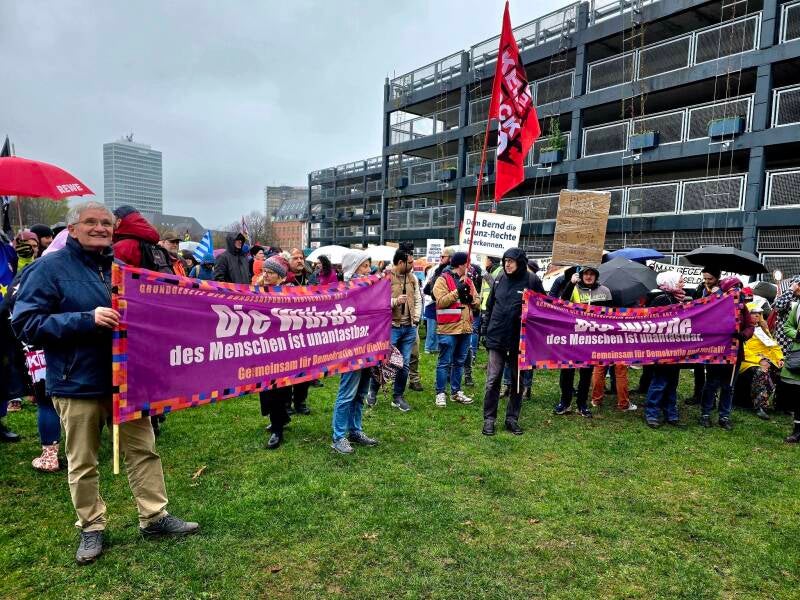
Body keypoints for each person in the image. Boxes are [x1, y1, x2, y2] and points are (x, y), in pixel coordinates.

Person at [12, 201, 199, 565]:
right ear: (73, 228)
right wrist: (86, 319)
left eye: (106, 223)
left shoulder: (121, 269)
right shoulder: (48, 269)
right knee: (83, 460)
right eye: (91, 222)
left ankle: (154, 516)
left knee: (144, 450)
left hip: (127, 382)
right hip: (76, 382)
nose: (100, 228)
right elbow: (26, 324)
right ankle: (91, 526)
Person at [481, 248, 542, 436]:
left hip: (520, 340)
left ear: (520, 262)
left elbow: (543, 308)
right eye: (505, 260)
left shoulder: (532, 281)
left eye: (511, 261)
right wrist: (485, 330)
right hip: (497, 336)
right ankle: (489, 419)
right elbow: (490, 306)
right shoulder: (499, 278)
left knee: (517, 382)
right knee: (493, 380)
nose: (507, 264)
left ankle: (512, 418)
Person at [331, 249, 379, 454]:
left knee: (361, 393)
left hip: (368, 346)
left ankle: (355, 430)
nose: (369, 269)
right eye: (365, 266)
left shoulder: (370, 289)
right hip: (351, 350)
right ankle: (339, 436)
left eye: (369, 265)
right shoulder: (344, 291)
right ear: (353, 268)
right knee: (347, 393)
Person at [554, 266, 613, 419]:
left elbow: (610, 314)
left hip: (591, 339)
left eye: (592, 274)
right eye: (586, 273)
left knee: (586, 374)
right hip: (572, 337)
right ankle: (565, 402)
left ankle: (582, 404)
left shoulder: (605, 291)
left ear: (596, 276)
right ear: (581, 275)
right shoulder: (573, 288)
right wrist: (570, 284)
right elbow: (560, 304)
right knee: (567, 372)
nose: (588, 276)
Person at [254, 255, 294, 449]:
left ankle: (278, 429)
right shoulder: (257, 290)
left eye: (270, 272)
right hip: (264, 346)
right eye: (265, 271)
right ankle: (280, 418)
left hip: (283, 348)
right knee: (265, 388)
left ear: (280, 276)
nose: (266, 275)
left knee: (278, 389)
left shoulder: (290, 293)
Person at [433, 252, 479, 407]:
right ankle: (440, 393)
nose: (470, 266)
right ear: (461, 264)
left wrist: (471, 300)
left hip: (465, 328)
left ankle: (456, 392)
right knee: (444, 362)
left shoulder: (469, 281)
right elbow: (440, 302)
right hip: (448, 328)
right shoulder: (442, 279)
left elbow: (478, 301)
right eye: (468, 263)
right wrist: (457, 292)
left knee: (459, 362)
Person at [643, 272, 685, 428]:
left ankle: (671, 413)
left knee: (672, 382)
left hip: (674, 347)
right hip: (662, 348)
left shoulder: (675, 298)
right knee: (659, 382)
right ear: (671, 282)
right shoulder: (661, 299)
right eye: (680, 281)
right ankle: (652, 413)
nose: (683, 283)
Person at [735, 302, 783, 419]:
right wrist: (759, 360)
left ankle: (781, 404)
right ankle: (760, 406)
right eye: (753, 313)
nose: (757, 315)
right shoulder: (743, 329)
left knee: (784, 370)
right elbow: (742, 349)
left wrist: (780, 358)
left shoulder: (763, 329)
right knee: (761, 372)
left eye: (759, 313)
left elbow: (773, 346)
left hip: (767, 359)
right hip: (748, 361)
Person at [387, 249, 421, 412]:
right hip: (392, 327)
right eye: (410, 262)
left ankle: (398, 396)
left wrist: (416, 318)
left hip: (409, 328)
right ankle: (372, 390)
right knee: (384, 362)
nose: (413, 264)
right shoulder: (386, 277)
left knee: (404, 365)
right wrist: (394, 301)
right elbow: (377, 301)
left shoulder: (413, 278)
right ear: (401, 262)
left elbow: (418, 298)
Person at [687, 267, 722, 405]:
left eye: (710, 279)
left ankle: (711, 398)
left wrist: (717, 294)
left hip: (714, 333)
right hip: (700, 331)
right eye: (705, 278)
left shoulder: (723, 290)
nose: (707, 281)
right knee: (698, 365)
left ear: (717, 278)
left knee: (712, 368)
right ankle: (698, 394)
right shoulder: (700, 288)